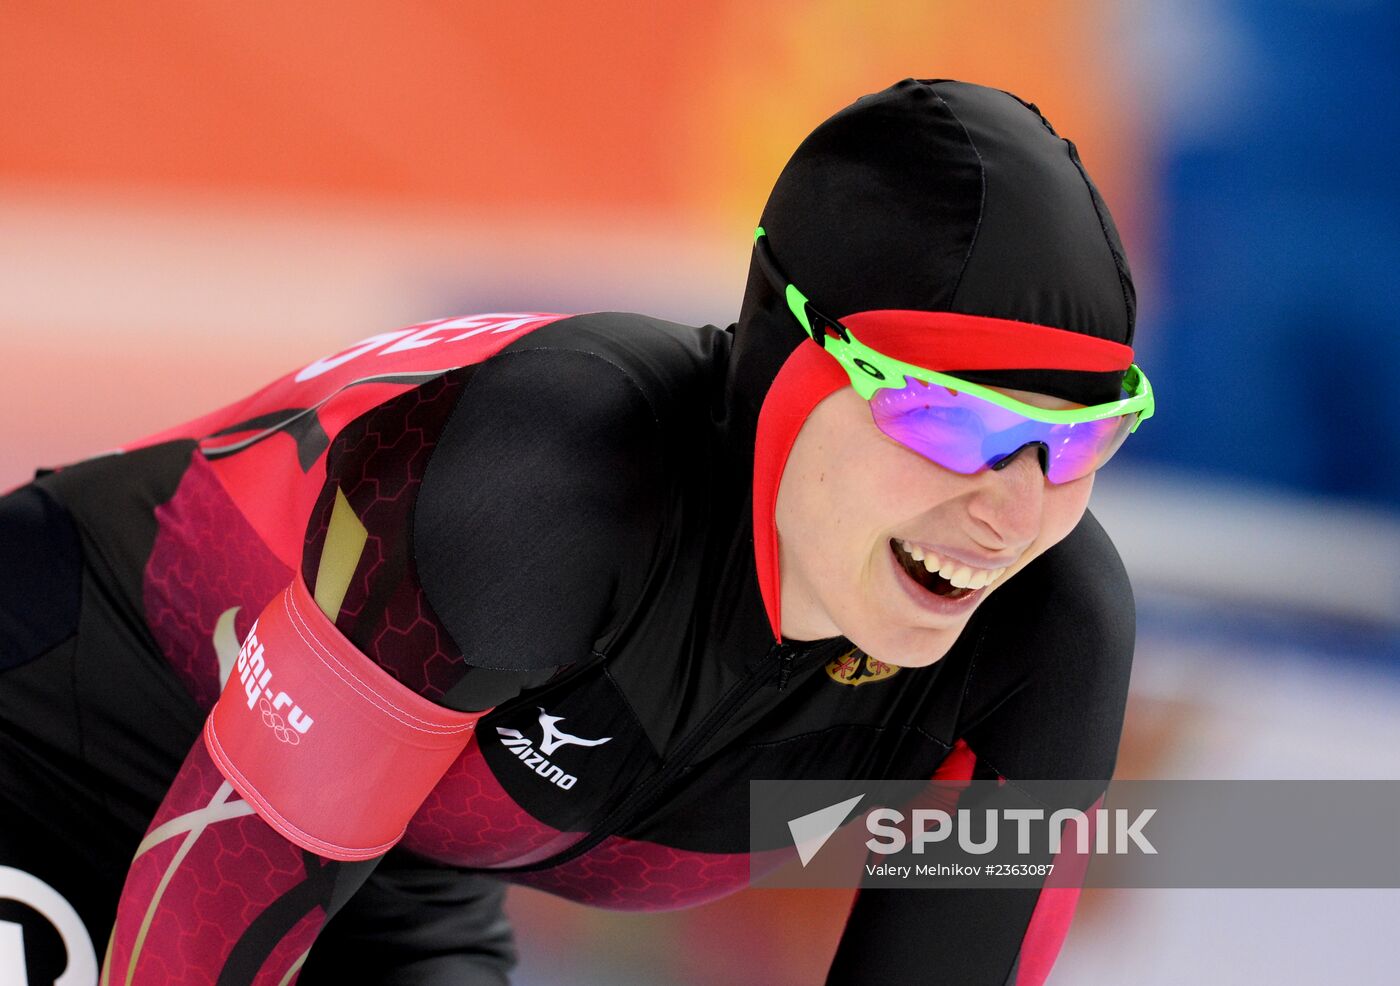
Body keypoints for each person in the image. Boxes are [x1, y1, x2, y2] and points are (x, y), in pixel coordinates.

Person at [0, 78, 1149, 985]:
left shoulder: (1048, 634)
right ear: (784, 366)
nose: (1010, 510)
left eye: (1079, 440)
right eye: (947, 418)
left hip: (390, 879)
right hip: (64, 714)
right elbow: (223, 879)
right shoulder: (551, 483)